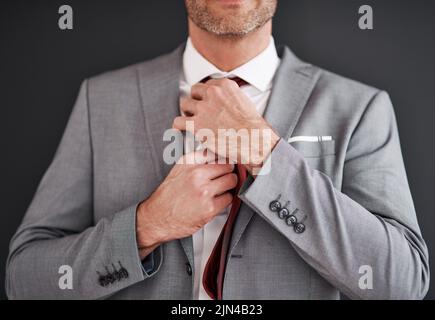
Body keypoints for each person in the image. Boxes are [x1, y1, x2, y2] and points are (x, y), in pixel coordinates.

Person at [6, 0, 429, 299]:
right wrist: (147, 225)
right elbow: (24, 279)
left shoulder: (359, 108)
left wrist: (263, 150)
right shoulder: (102, 99)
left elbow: (401, 282)